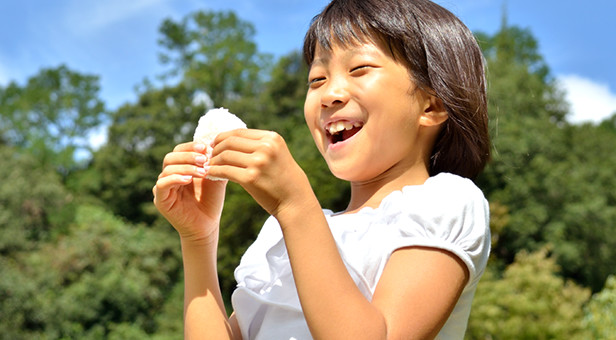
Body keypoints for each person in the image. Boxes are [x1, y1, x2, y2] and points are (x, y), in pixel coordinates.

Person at [153, 0, 491, 338]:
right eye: (317, 79)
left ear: (431, 105)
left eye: (359, 69)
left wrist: (295, 204)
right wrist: (199, 238)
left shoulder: (447, 202)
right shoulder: (280, 237)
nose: (329, 94)